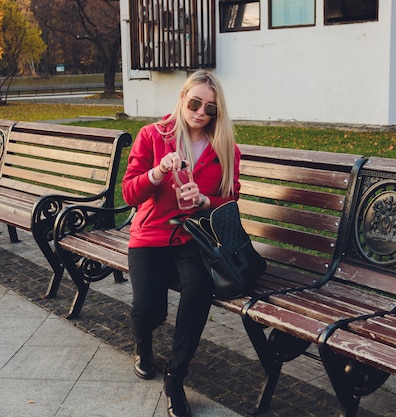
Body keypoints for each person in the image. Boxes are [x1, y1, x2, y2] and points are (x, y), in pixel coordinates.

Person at [121, 70, 241, 417]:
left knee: (200, 287)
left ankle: (176, 376)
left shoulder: (225, 149)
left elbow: (231, 201)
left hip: (194, 238)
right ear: (182, 99)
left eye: (211, 108)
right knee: (149, 310)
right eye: (194, 102)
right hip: (151, 235)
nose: (201, 112)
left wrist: (205, 202)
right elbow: (129, 193)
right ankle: (143, 344)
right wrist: (157, 173)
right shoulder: (153, 136)